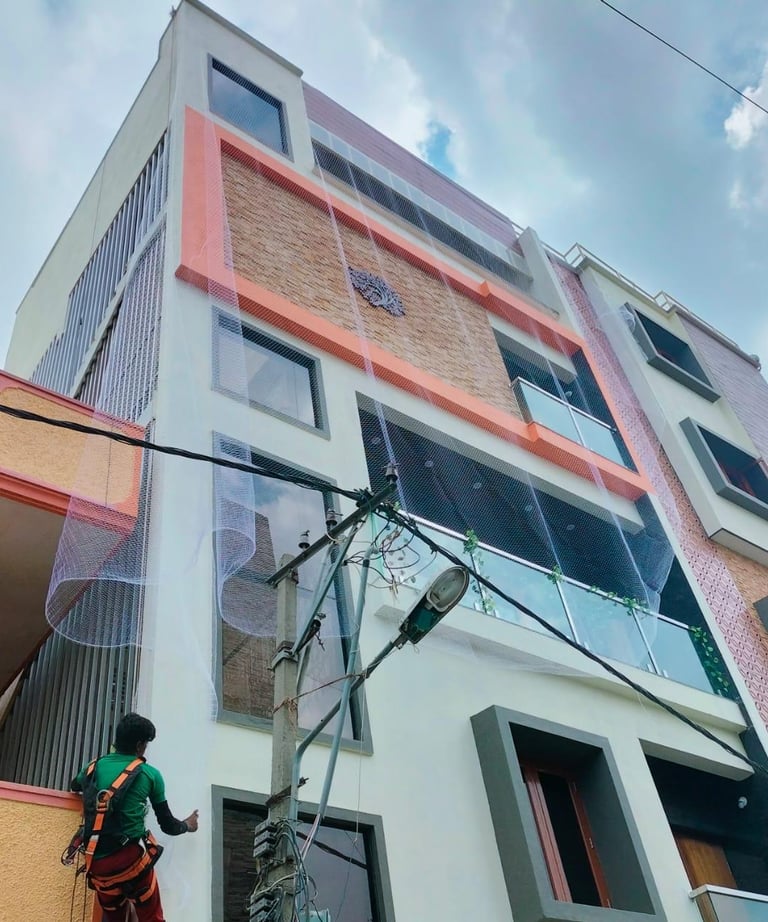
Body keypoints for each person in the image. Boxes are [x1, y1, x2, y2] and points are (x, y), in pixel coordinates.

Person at [71, 712, 199, 921]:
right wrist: (188, 824)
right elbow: (168, 826)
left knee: (113, 913)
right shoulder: (150, 774)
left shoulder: (93, 766)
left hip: (98, 865)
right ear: (140, 745)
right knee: (151, 916)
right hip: (130, 863)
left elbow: (75, 785)